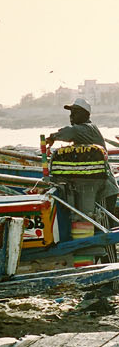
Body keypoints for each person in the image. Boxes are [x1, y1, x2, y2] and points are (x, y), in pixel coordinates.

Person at [42, 98, 119, 240]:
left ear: (85, 114)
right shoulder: (85, 131)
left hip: (103, 188)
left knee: (103, 230)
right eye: (70, 112)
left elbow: (69, 132)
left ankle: (108, 261)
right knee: (96, 229)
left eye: (75, 112)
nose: (71, 116)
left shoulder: (87, 129)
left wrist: (52, 137)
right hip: (95, 184)